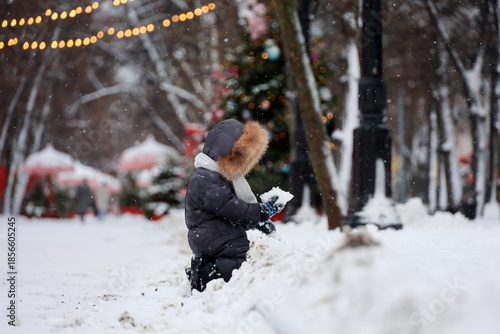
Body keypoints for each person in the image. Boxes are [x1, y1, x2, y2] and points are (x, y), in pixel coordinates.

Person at [184, 119, 285, 292]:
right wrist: (262, 211)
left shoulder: (213, 176)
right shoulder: (206, 180)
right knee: (238, 258)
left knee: (238, 250)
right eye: (242, 158)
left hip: (214, 234)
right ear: (227, 154)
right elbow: (232, 208)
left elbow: (233, 209)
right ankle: (205, 275)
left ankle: (209, 268)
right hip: (211, 236)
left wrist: (257, 221)